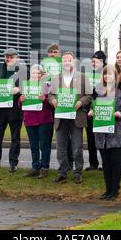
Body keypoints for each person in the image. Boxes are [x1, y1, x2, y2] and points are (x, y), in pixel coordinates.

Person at [89, 65, 121, 200]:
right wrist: (91, 111)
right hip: (101, 133)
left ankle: (115, 189)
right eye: (105, 74)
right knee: (106, 163)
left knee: (116, 163)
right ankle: (108, 189)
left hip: (117, 132)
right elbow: (92, 106)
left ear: (116, 76)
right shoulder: (98, 90)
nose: (107, 77)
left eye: (110, 74)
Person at [49, 51, 92, 184]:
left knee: (77, 146)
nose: (67, 62)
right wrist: (53, 101)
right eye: (64, 60)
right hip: (61, 117)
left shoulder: (83, 77)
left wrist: (81, 102)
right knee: (60, 146)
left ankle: (78, 171)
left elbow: (89, 95)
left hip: (76, 117)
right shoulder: (56, 78)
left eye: (69, 60)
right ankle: (63, 171)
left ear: (74, 62)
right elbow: (50, 95)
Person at [0, 48, 27, 173]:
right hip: (0, 108)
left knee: (15, 137)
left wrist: (19, 90)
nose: (8, 59)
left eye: (11, 57)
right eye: (6, 56)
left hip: (15, 108)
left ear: (16, 57)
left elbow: (30, 86)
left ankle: (13, 163)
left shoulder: (23, 70)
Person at [19, 64, 54, 179]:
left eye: (38, 73)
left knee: (44, 145)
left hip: (44, 120)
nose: (36, 75)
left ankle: (44, 168)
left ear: (42, 75)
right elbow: (20, 105)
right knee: (33, 145)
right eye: (34, 73)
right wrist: (21, 100)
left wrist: (44, 99)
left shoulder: (47, 86)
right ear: (30, 74)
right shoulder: (26, 86)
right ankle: (35, 167)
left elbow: (52, 104)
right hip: (29, 120)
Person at [43, 43, 74, 170]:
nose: (53, 54)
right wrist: (43, 80)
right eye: (51, 52)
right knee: (55, 138)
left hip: (64, 105)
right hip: (48, 106)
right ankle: (57, 165)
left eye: (55, 52)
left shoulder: (66, 68)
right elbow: (44, 91)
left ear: (59, 54)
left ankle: (69, 163)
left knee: (67, 137)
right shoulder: (43, 68)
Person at [85, 50, 107, 171]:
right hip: (89, 109)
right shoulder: (88, 74)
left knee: (104, 137)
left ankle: (105, 163)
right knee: (90, 138)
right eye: (92, 61)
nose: (94, 63)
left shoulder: (107, 74)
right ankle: (93, 163)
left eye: (96, 61)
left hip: (103, 108)